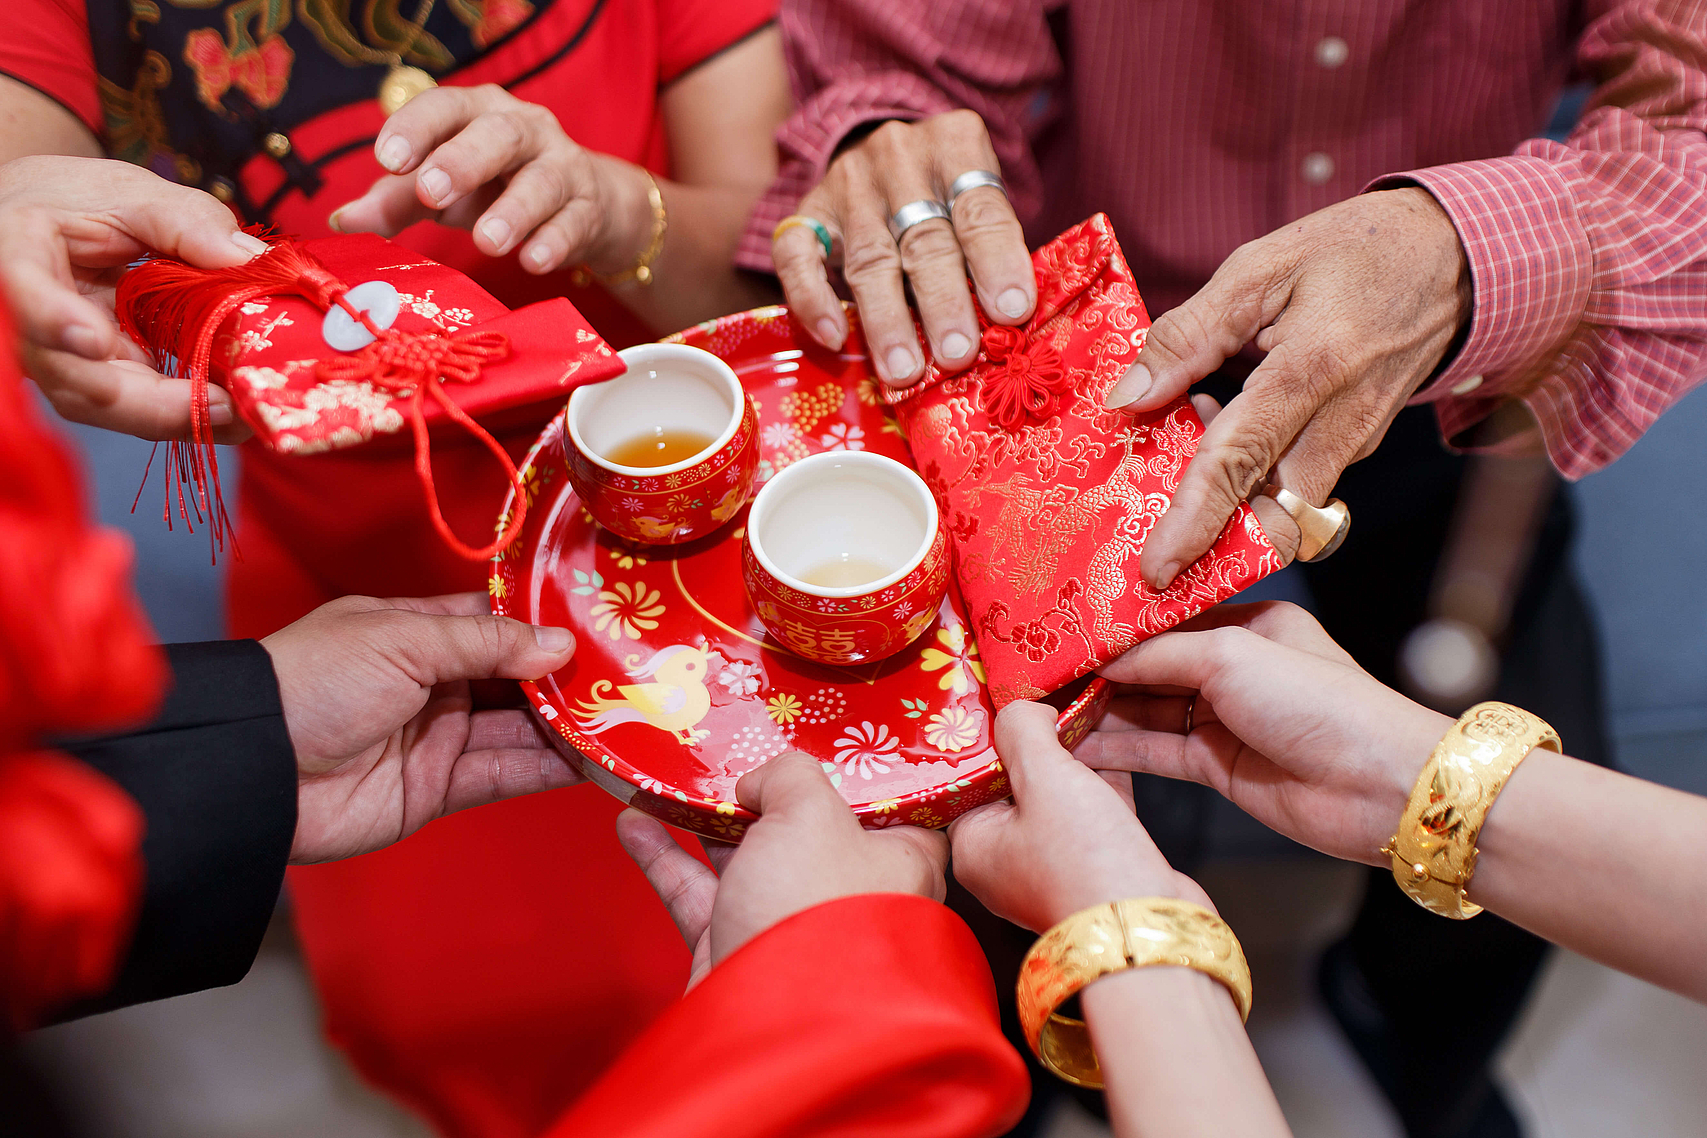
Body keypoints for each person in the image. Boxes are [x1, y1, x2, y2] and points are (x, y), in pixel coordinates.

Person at [743, 3, 1707, 1131]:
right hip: (1080, 375)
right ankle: (1028, 1072)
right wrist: (891, 134)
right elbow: (906, 54)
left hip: (1449, 367)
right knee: (984, 784)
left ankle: (1412, 1057)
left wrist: (1464, 252)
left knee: (1539, 737)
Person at [0, 4, 794, 1131]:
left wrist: (621, 214)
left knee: (784, 1001)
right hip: (362, 620)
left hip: (688, 563)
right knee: (482, 1033)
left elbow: (776, 289)